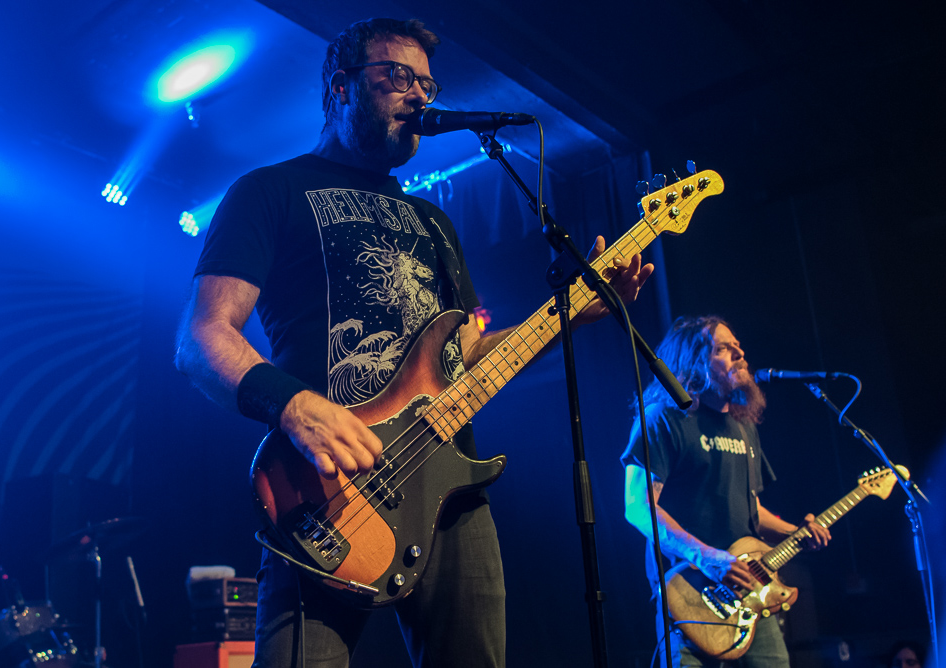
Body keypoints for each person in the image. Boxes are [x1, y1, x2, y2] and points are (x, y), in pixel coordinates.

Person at [174, 17, 653, 668]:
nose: (419, 95)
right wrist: (292, 404)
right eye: (397, 76)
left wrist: (575, 313)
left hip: (453, 496)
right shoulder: (270, 192)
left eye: (426, 82)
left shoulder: (434, 221)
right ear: (340, 87)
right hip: (328, 493)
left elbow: (464, 354)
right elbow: (202, 336)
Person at [620, 315, 831, 668]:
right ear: (693, 360)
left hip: (751, 589)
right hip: (689, 591)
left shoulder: (743, 426)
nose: (740, 353)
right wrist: (707, 557)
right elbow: (637, 506)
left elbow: (749, 507)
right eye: (723, 348)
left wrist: (796, 533)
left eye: (737, 346)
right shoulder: (662, 418)